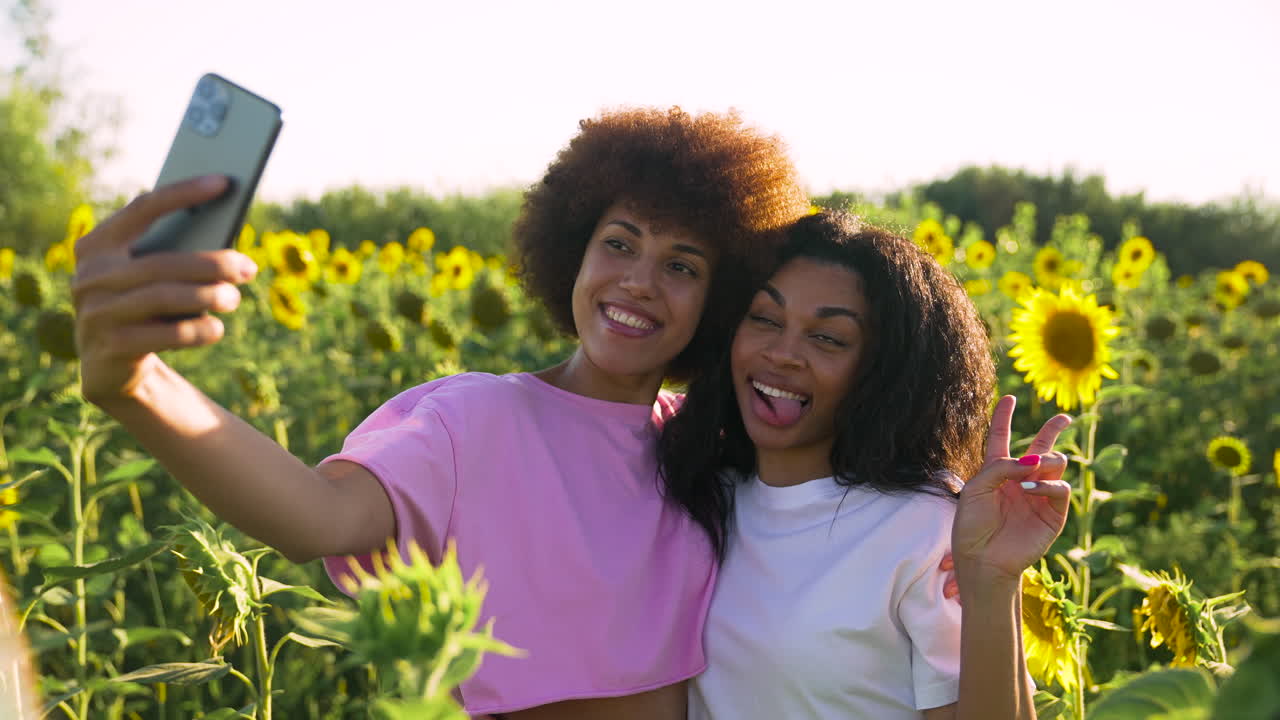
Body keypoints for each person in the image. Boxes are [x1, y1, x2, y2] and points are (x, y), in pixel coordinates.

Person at [70, 107, 810, 719]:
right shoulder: (479, 419)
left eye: (682, 266)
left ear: (720, 299)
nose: (640, 281)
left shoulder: (711, 443)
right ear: (573, 253)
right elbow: (315, 517)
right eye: (619, 244)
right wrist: (136, 385)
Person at [659, 210, 1073, 719]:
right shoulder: (697, 489)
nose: (783, 353)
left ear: (885, 372)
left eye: (828, 338)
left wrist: (993, 581)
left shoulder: (925, 525)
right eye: (765, 319)